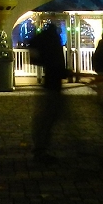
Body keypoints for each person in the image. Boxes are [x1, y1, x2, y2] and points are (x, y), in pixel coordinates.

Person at [31, 22, 68, 163]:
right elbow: (56, 63)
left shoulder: (46, 39)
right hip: (53, 85)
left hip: (50, 83)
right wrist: (65, 72)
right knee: (48, 119)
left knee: (47, 119)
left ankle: (41, 148)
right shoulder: (53, 41)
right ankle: (41, 150)